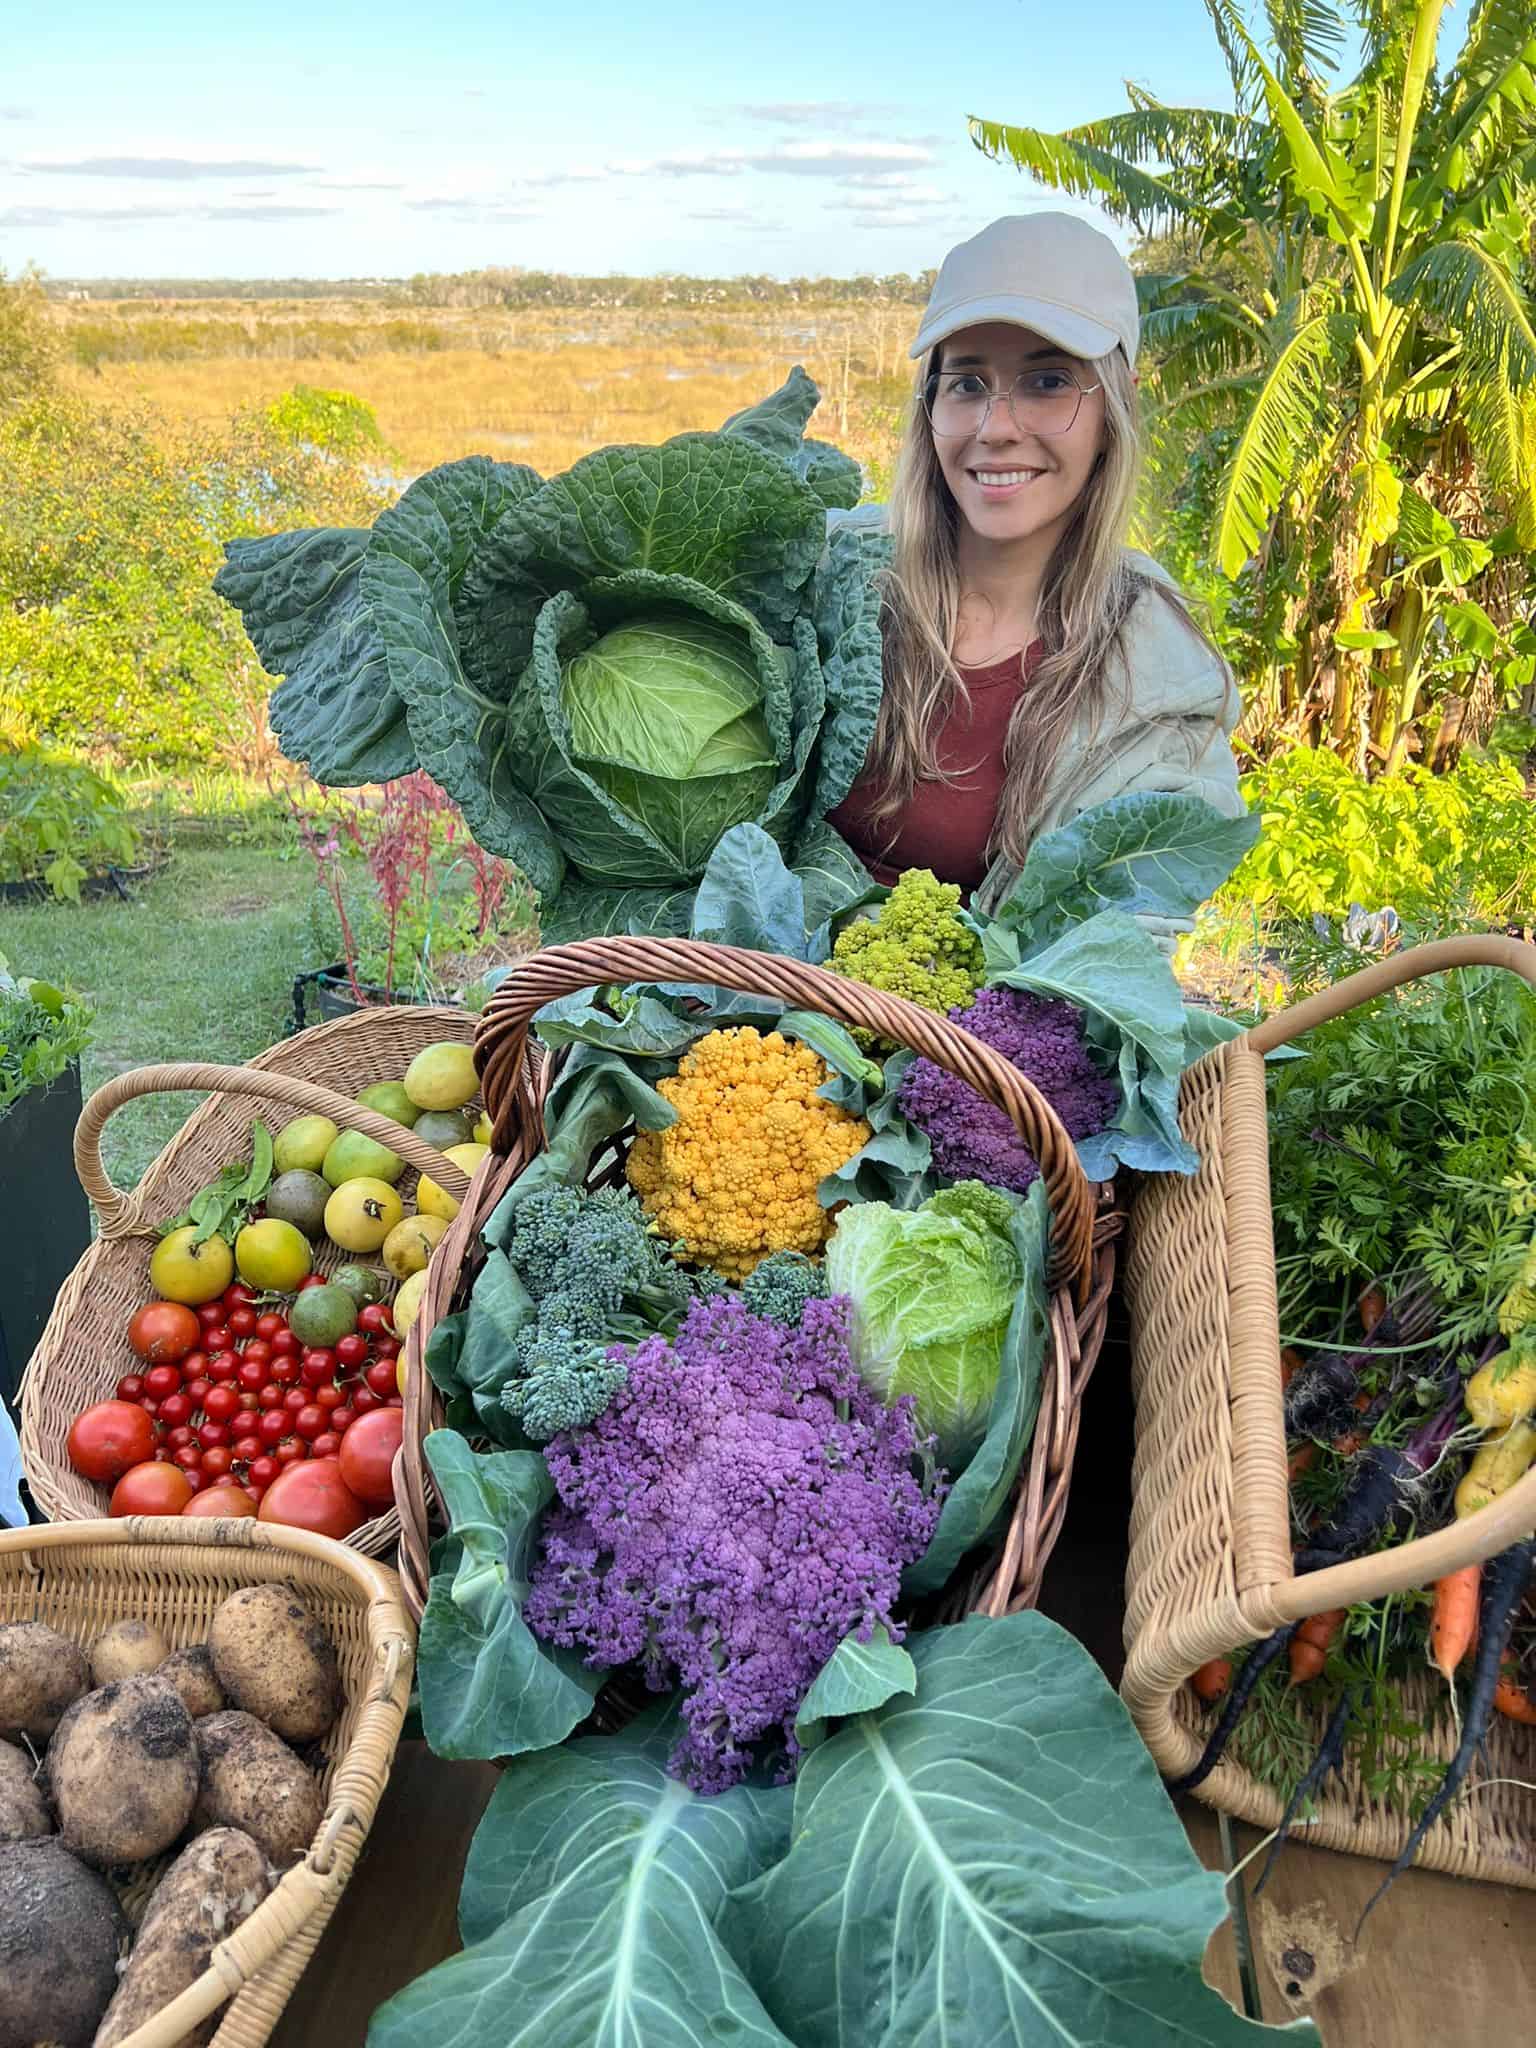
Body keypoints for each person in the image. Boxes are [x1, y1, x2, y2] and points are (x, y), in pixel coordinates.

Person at [829, 212, 1245, 940]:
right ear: (930, 405)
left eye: (1047, 382)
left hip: (965, 1046)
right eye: (966, 384)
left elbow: (1126, 943)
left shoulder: (1158, 679)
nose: (996, 427)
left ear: (1115, 407)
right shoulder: (832, 571)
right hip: (731, 1018)